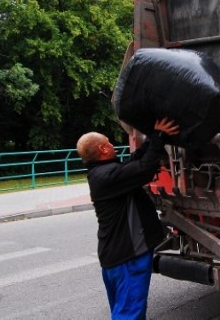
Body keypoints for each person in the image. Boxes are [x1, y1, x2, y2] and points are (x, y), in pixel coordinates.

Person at [76, 118, 180, 319]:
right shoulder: (108, 177)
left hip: (116, 259)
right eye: (108, 143)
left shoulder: (103, 173)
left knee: (125, 311)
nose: (112, 145)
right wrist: (159, 136)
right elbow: (144, 169)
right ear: (103, 149)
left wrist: (152, 138)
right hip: (128, 258)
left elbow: (135, 162)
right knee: (128, 314)